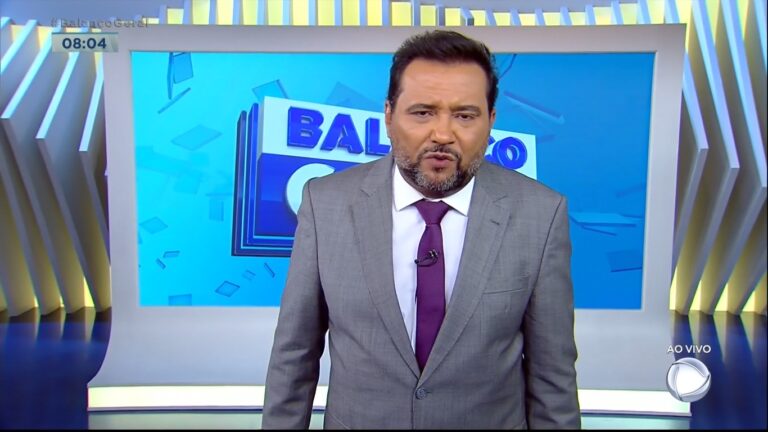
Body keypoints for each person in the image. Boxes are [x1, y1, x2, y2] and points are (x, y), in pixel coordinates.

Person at [263, 29, 580, 429]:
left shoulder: (541, 214)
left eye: (464, 115)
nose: (443, 135)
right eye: (423, 112)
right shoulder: (325, 203)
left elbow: (553, 377)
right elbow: (294, 356)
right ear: (388, 115)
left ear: (491, 121)